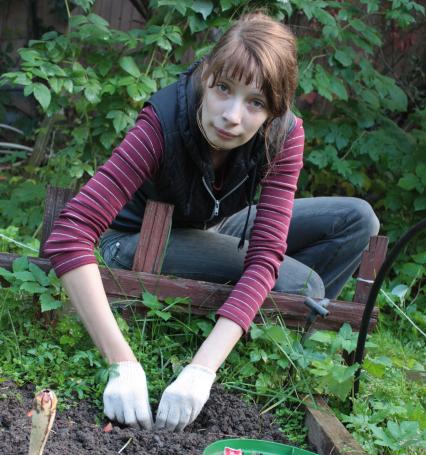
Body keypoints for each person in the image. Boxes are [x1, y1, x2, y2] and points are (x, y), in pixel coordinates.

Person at [43, 12, 379, 432]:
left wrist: (201, 371)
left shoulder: (284, 134)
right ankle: (274, 324)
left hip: (216, 226)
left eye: (255, 102)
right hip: (135, 238)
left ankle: (280, 340)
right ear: (206, 76)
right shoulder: (163, 121)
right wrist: (121, 363)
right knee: (301, 285)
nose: (231, 116)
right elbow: (70, 234)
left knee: (357, 220)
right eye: (224, 89)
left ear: (274, 111)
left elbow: (264, 256)